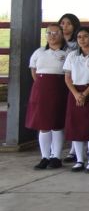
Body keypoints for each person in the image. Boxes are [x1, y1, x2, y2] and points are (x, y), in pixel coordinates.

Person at [27, 25, 70, 169]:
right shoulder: (39, 52)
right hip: (41, 90)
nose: (52, 35)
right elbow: (34, 71)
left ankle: (56, 157)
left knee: (57, 124)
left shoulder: (68, 52)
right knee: (43, 125)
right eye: (49, 33)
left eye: (56, 33)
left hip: (59, 89)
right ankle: (45, 156)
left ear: (62, 34)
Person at [63, 28, 89, 172]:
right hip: (74, 92)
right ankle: (79, 160)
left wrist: (84, 94)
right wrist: (76, 94)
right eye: (79, 37)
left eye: (85, 36)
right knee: (75, 127)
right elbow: (67, 77)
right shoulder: (72, 55)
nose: (82, 39)